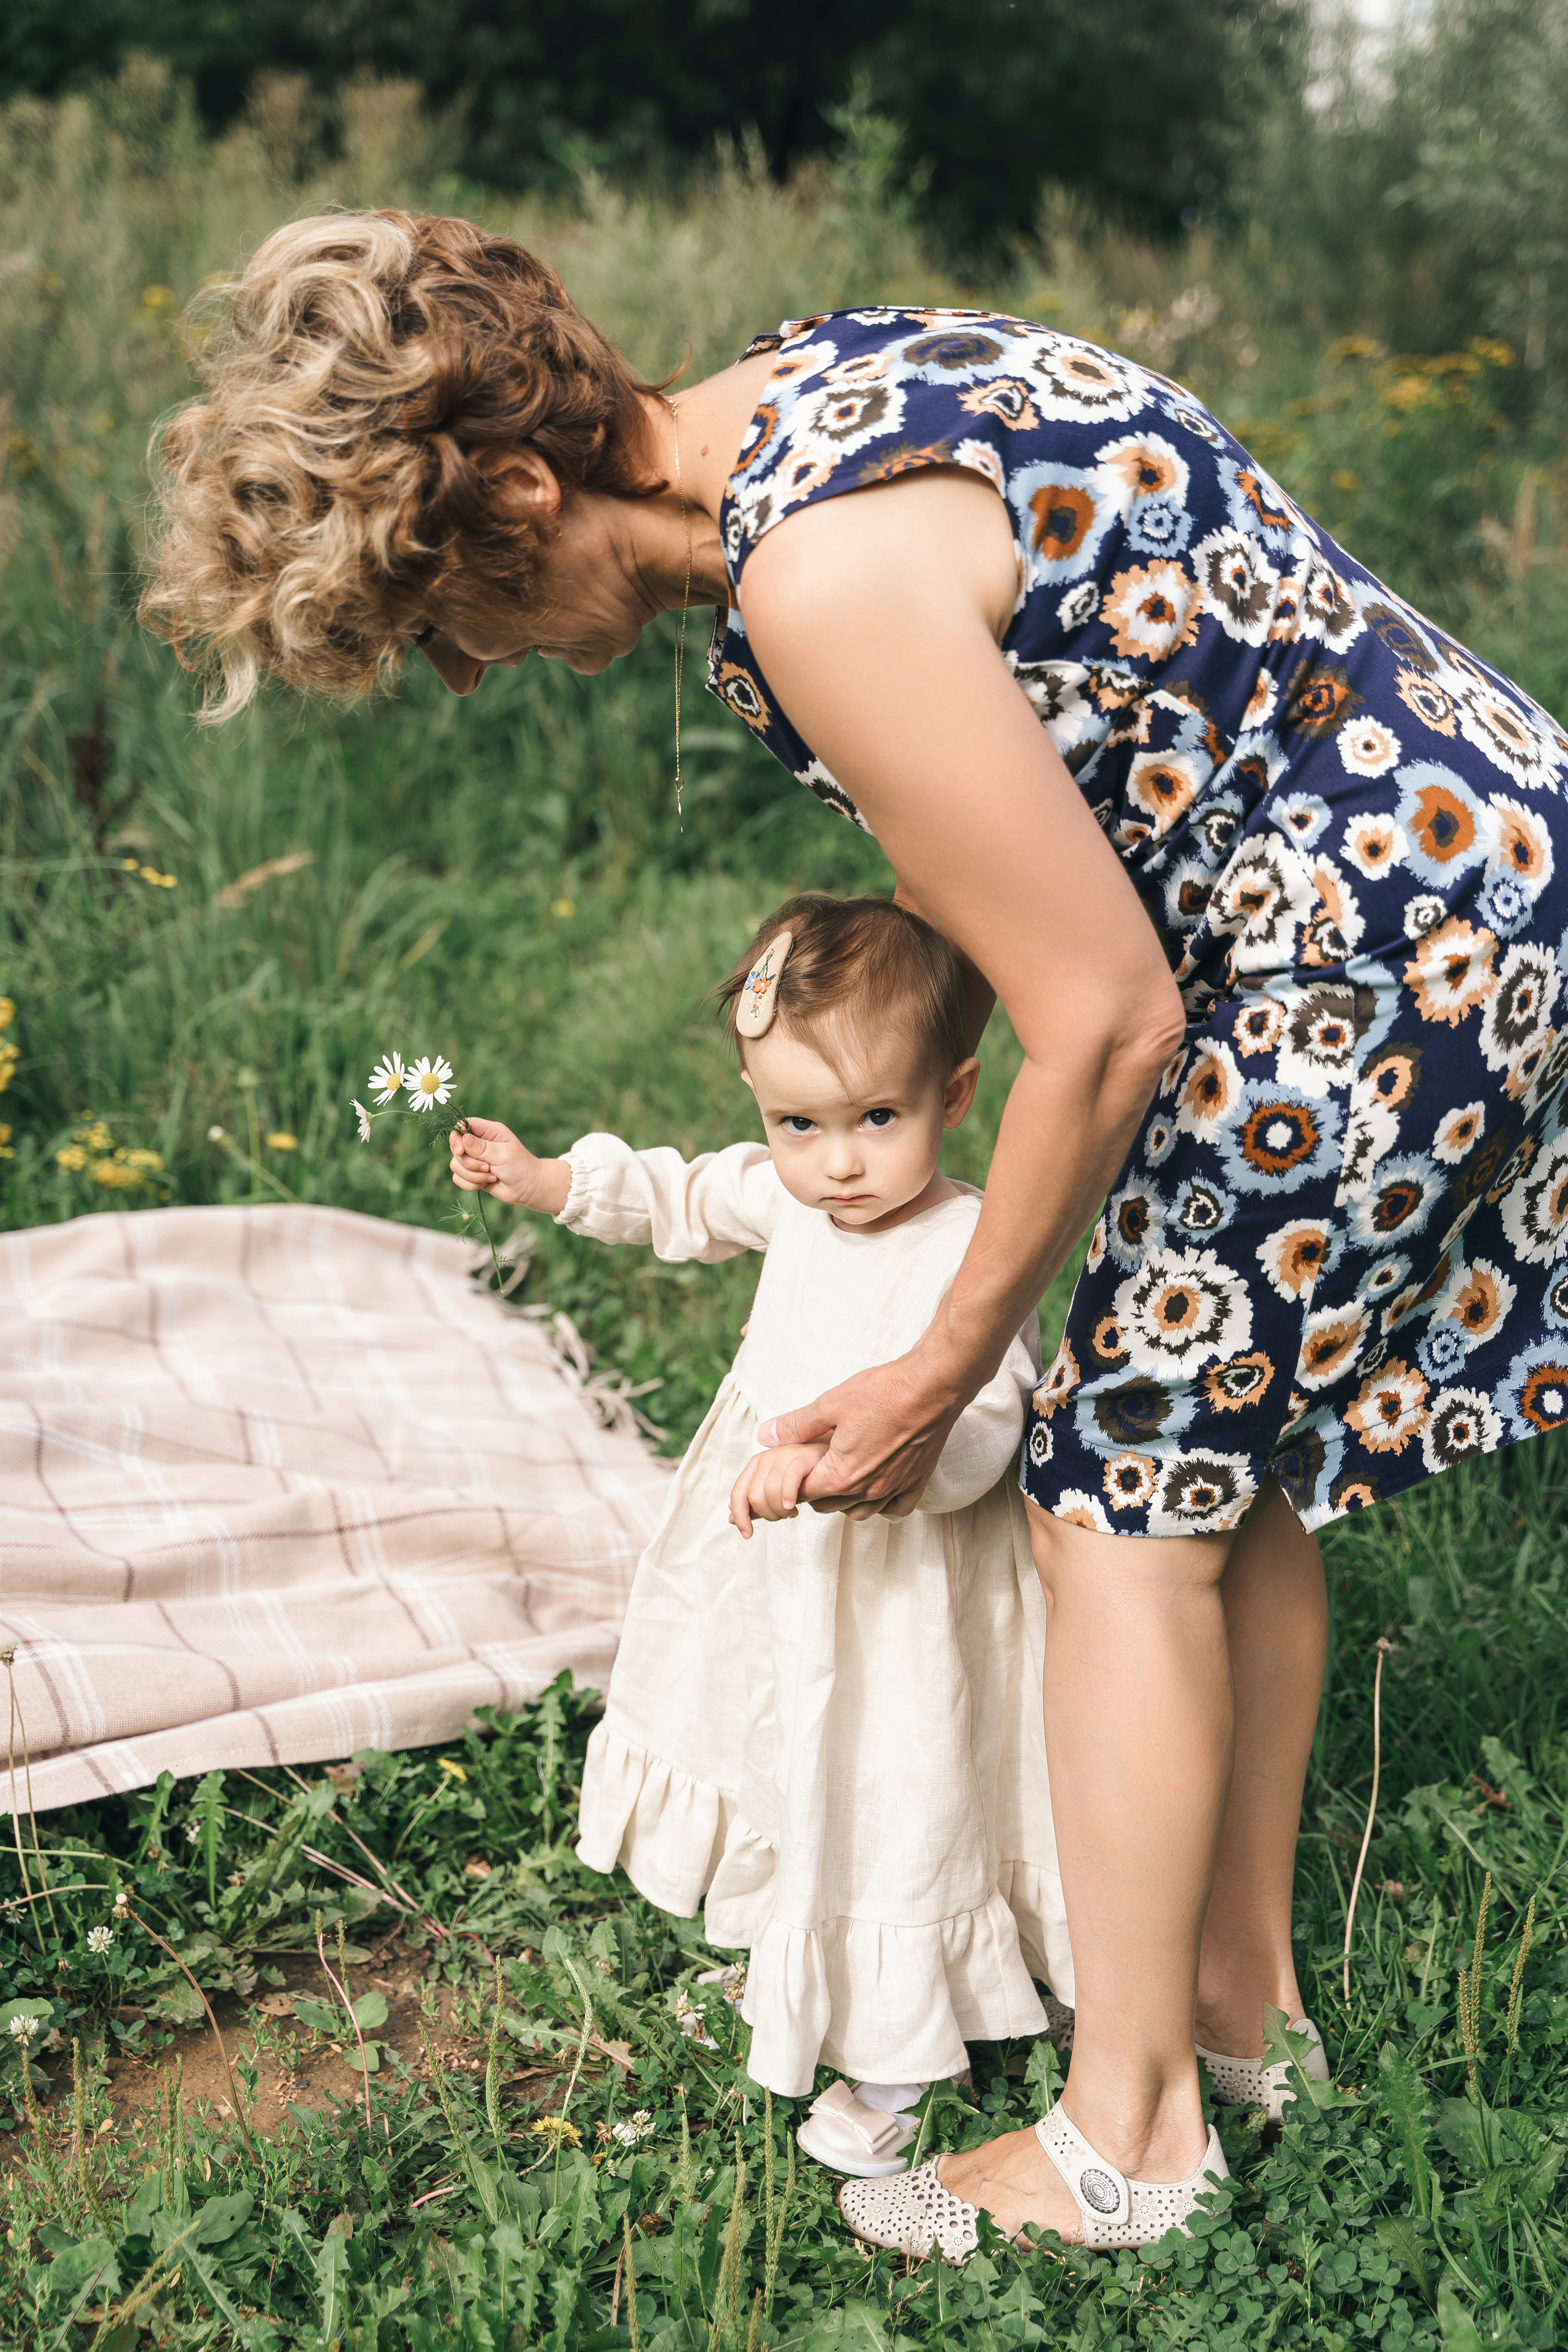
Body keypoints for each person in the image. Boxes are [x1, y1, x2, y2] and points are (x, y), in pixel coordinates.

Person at [141, 209, 1568, 2256]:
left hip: (1366, 951)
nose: (464, 668)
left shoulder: (815, 577)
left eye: (440, 612)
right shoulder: (830, 372)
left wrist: (934, 1366)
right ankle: (1239, 2021)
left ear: (525, 490)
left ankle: (1128, 2142)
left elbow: (1099, 1016)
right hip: (1466, 852)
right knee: (1215, 1461)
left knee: (1116, 1506)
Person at [448, 891, 1083, 2184]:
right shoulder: (795, 1199)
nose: (836, 1161)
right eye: (796, 1124)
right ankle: (799, 1956)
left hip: (904, 1594)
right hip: (775, 1579)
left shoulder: (966, 1244)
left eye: (875, 1121)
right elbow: (682, 1198)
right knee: (780, 1753)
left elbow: (984, 1425)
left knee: (893, 1785)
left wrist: (864, 1475)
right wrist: (549, 1179)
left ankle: (897, 2046)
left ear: (953, 1095)